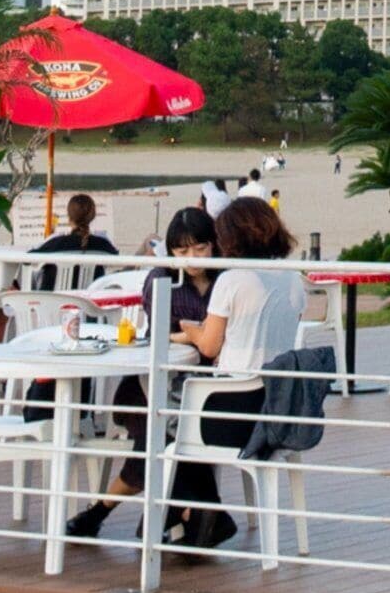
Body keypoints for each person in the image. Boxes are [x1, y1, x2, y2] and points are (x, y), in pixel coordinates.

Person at [67, 194, 299, 549]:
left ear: (223, 241)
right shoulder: (288, 279)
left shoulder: (231, 280)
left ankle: (114, 511)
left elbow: (209, 345)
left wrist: (190, 331)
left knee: (161, 434)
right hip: (250, 398)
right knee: (162, 425)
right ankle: (195, 514)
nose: (193, 258)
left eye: (202, 247)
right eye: (182, 250)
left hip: (218, 396)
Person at [28, 194, 116, 292]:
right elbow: (116, 256)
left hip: (52, 299)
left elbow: (28, 259)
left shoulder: (56, 243)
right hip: (89, 299)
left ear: (69, 217)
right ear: (93, 216)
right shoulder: (103, 245)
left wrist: (48, 239)